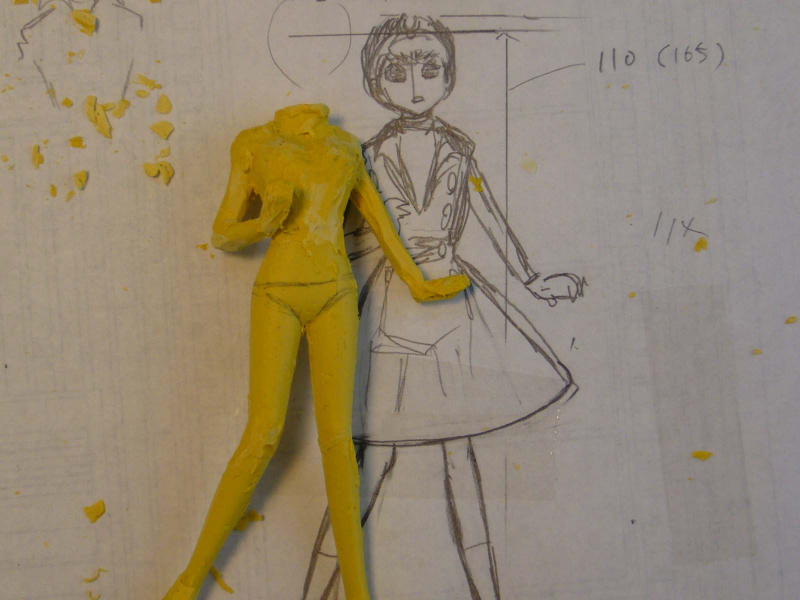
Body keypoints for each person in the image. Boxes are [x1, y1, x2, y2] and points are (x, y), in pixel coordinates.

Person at [302, 15, 584, 600]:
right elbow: (349, 233)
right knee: (368, 462)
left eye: (430, 68)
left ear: (449, 75)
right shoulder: (366, 154)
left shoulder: (459, 147)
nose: (415, 84)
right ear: (375, 80)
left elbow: (489, 217)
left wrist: (532, 279)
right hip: (390, 310)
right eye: (397, 71)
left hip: (457, 311)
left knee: (461, 459)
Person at [160, 103, 470, 600]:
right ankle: (189, 579)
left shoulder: (345, 148)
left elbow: (378, 219)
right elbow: (222, 232)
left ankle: (358, 591)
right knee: (262, 433)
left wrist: (416, 281)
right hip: (278, 291)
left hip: (335, 292)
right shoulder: (253, 142)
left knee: (338, 442)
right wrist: (264, 223)